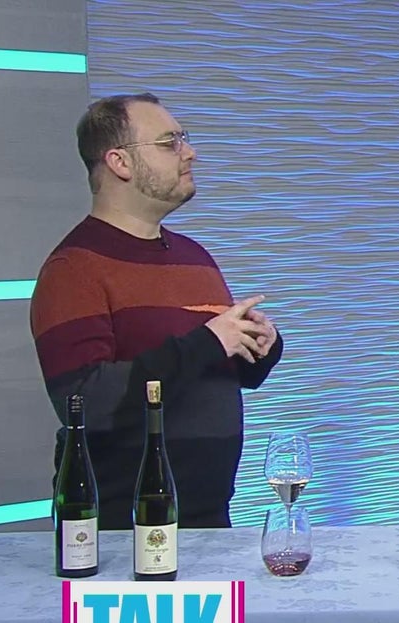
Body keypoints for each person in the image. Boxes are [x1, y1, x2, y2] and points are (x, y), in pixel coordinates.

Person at [30, 93, 283, 530]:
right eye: (170, 143)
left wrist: (259, 347)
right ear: (120, 162)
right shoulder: (73, 268)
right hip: (124, 529)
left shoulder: (193, 256)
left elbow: (213, 370)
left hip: (209, 519)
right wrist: (207, 342)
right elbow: (84, 402)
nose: (190, 153)